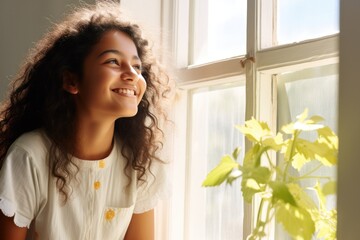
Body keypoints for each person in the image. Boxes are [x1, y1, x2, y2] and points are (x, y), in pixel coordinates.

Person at [0, 2, 172, 239]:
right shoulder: (29, 156)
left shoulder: (140, 164)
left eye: (137, 66)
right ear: (71, 81)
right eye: (113, 61)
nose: (132, 75)